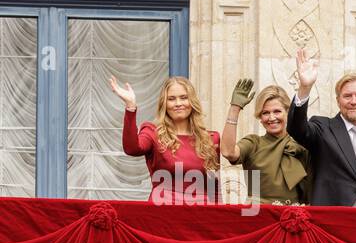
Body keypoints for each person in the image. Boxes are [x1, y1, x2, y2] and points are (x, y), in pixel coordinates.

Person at [286, 48, 356, 208]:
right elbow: (296, 128)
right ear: (338, 100)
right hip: (330, 222)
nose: (353, 101)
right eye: (347, 96)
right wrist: (305, 88)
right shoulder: (322, 128)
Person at [112, 75, 222, 205]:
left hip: (200, 215)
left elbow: (213, 187)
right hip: (163, 213)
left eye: (184, 98)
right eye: (171, 99)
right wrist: (130, 106)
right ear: (164, 104)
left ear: (192, 102)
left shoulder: (210, 138)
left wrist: (218, 218)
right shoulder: (152, 132)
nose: (178, 104)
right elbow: (132, 149)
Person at [220, 80, 312, 205]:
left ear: (287, 112)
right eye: (265, 113)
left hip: (293, 218)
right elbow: (228, 151)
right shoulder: (254, 143)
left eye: (277, 111)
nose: (272, 118)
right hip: (259, 216)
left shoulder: (301, 146)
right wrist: (235, 108)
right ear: (260, 118)